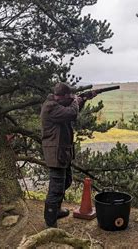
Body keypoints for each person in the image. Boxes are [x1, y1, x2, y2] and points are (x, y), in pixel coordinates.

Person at [40, 82, 90, 228]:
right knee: (56, 188)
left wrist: (84, 100)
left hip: (62, 152)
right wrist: (76, 101)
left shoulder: (58, 105)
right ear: (61, 96)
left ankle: (56, 210)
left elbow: (70, 112)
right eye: (69, 96)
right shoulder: (50, 107)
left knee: (66, 181)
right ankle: (50, 221)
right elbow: (72, 113)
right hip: (56, 153)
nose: (72, 98)